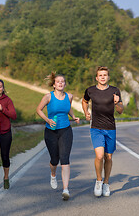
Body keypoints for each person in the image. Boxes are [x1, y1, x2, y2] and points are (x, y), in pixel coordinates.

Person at [36, 72, 80, 200]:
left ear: (65, 84)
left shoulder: (69, 96)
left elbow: (68, 108)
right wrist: (47, 120)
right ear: (54, 84)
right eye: (58, 81)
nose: (60, 83)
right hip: (51, 131)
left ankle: (66, 189)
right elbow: (39, 109)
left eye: (63, 81)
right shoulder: (48, 97)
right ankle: (53, 174)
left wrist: (73, 116)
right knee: (54, 159)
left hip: (65, 130)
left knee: (64, 158)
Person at [82, 66, 123, 197]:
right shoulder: (90, 90)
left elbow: (120, 110)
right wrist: (86, 112)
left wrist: (117, 103)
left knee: (108, 157)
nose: (103, 77)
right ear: (96, 78)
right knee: (99, 156)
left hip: (110, 128)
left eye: (105, 75)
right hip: (96, 128)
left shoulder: (115, 91)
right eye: (100, 75)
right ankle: (99, 181)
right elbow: (84, 101)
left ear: (108, 77)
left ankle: (106, 183)